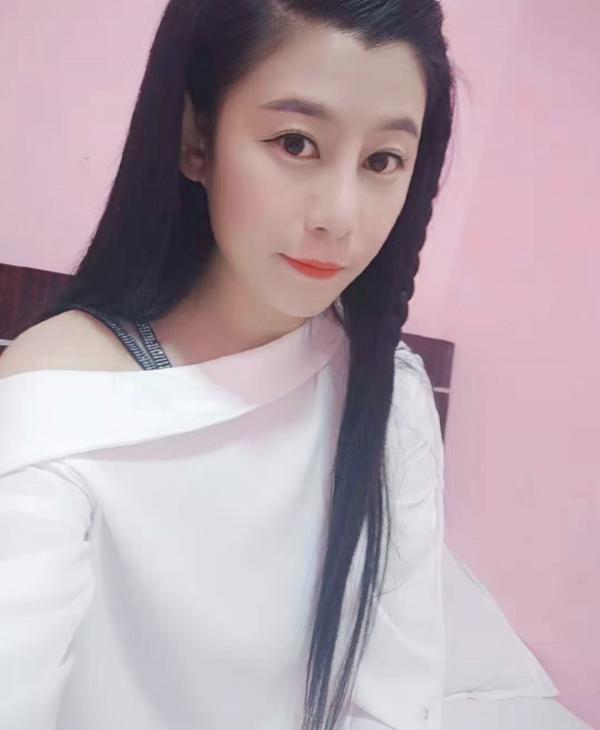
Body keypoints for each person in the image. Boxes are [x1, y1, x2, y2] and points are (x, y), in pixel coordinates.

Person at [0, 1, 456, 728]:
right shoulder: (60, 406)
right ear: (196, 139)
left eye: (382, 161)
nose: (339, 216)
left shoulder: (389, 396)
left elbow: (395, 701)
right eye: (296, 143)